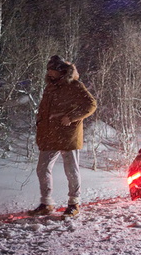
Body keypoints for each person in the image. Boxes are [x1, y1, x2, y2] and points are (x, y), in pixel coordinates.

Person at [29, 55, 97, 217]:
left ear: (61, 71)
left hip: (68, 135)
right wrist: (40, 124)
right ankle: (46, 203)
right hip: (50, 135)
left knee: (71, 170)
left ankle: (74, 203)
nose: (49, 73)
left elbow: (91, 104)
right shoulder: (50, 88)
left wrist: (72, 117)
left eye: (52, 70)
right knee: (42, 169)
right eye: (48, 70)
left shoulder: (74, 85)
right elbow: (44, 110)